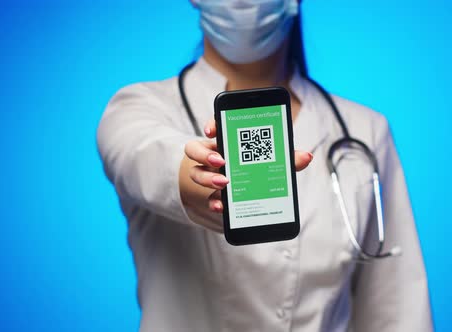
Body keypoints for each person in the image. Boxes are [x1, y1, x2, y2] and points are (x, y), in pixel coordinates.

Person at [97, 0, 433, 330]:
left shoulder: (364, 130)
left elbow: (398, 310)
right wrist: (196, 177)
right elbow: (142, 157)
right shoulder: (138, 108)